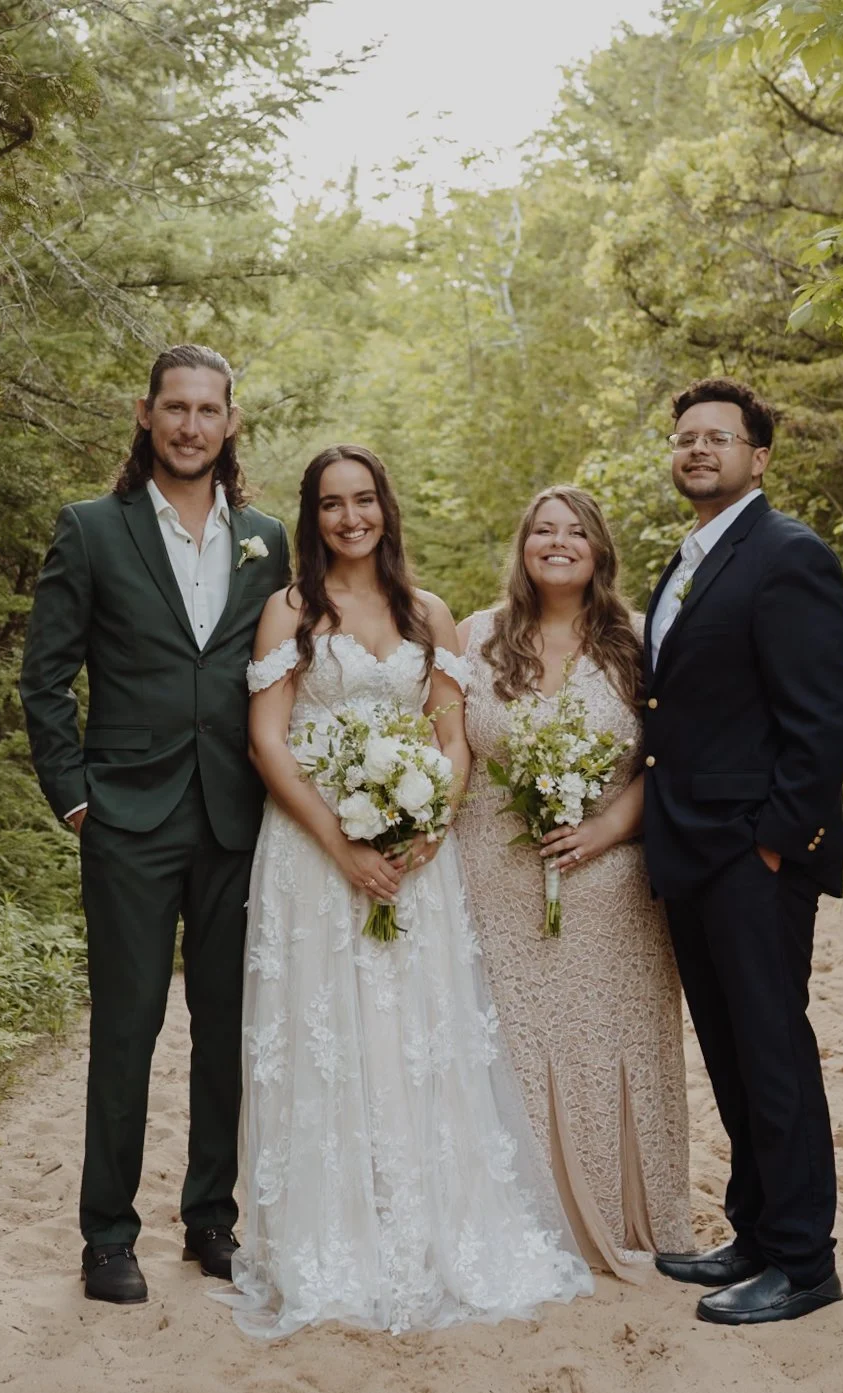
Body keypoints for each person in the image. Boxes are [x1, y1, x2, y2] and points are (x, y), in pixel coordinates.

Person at [221, 445, 592, 1338]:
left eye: (364, 500)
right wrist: (339, 842)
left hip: (417, 860)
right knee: (327, 1033)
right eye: (332, 504)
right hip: (315, 858)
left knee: (410, 1035)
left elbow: (452, 736)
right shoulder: (290, 611)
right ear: (312, 518)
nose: (351, 518)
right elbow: (268, 739)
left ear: (386, 507)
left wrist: (430, 824)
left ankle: (428, 1225)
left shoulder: (428, 612)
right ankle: (330, 1233)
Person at [18, 344, 291, 1305]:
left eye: (207, 409)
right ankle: (107, 1233)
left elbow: (283, 676)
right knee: (126, 1029)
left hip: (238, 815)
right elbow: (45, 674)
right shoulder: (91, 529)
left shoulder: (268, 537)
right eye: (173, 408)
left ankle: (210, 1218)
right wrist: (73, 792)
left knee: (226, 1028)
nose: (189, 425)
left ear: (229, 422)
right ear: (146, 415)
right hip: (126, 816)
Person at [640, 378, 843, 1325]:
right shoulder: (688, 561)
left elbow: (824, 719)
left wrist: (774, 843)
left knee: (772, 1052)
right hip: (691, 847)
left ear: (757, 457)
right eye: (685, 437)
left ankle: (805, 1263)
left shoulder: (788, 555)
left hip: (750, 853)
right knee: (730, 1050)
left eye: (717, 438)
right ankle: (758, 1231)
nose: (697, 450)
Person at [452, 486, 694, 1281]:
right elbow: (449, 748)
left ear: (599, 548)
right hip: (492, 871)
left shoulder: (638, 640)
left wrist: (604, 828)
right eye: (542, 530)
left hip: (611, 879)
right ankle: (523, 1215)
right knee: (512, 1043)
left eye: (575, 531)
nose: (558, 542)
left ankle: (622, 1210)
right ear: (523, 544)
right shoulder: (476, 634)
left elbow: (670, 758)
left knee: (609, 1044)